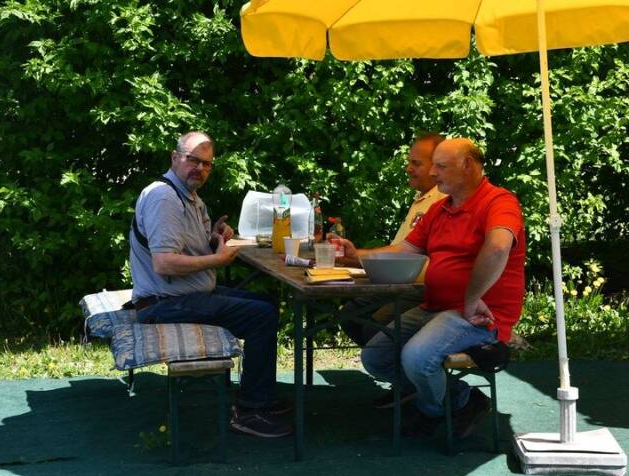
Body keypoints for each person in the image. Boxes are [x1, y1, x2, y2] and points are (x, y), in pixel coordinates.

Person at [331, 138, 526, 438]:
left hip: (479, 315)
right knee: (376, 357)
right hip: (436, 306)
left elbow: (499, 247)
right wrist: (356, 255)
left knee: (416, 357)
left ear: (468, 165)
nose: (433, 173)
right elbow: (404, 250)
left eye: (441, 166)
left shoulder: (499, 202)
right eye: (432, 165)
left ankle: (435, 408)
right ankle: (459, 400)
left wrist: (472, 298)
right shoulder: (440, 209)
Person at [129, 131, 292, 438]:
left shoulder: (190, 198)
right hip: (163, 304)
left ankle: (260, 394)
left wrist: (214, 237)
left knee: (266, 303)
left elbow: (186, 249)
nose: (200, 169)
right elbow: (164, 263)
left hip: (186, 295)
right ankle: (250, 411)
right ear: (175, 158)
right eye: (193, 160)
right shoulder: (164, 198)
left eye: (207, 164)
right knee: (261, 316)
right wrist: (218, 259)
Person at [341, 133, 447, 353]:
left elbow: (408, 255)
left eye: (416, 163)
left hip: (420, 288)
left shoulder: (442, 200)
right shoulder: (423, 198)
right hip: (397, 282)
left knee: (375, 330)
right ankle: (390, 365)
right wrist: (354, 256)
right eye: (409, 162)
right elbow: (402, 249)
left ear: (436, 166)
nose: (408, 169)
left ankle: (396, 367)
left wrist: (356, 257)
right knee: (349, 316)